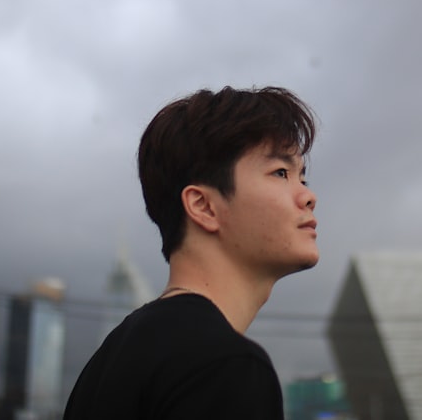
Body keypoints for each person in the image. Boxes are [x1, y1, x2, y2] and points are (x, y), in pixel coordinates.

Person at [63, 86, 319, 419]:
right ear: (203, 206)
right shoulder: (226, 367)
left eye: (304, 177)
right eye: (281, 173)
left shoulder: (107, 361)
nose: (308, 196)